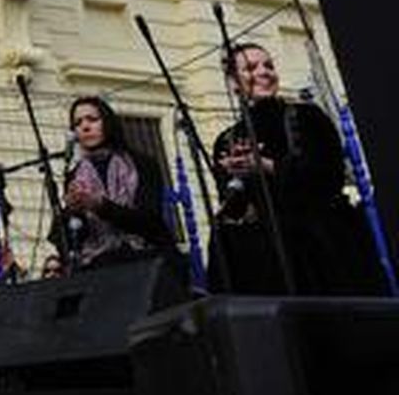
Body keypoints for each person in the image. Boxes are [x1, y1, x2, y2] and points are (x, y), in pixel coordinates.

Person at [208, 44, 383, 295]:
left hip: (319, 244)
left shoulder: (308, 117)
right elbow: (239, 207)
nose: (264, 72)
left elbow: (329, 178)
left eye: (269, 65)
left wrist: (269, 166)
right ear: (234, 83)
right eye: (250, 68)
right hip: (268, 255)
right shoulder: (227, 139)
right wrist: (234, 178)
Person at [54, 96, 173, 272]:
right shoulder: (75, 175)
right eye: (77, 123)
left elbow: (150, 221)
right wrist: (73, 212)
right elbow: (75, 240)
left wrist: (101, 205)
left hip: (146, 257)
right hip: (99, 264)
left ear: (108, 123)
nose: (85, 127)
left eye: (92, 119)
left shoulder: (141, 163)